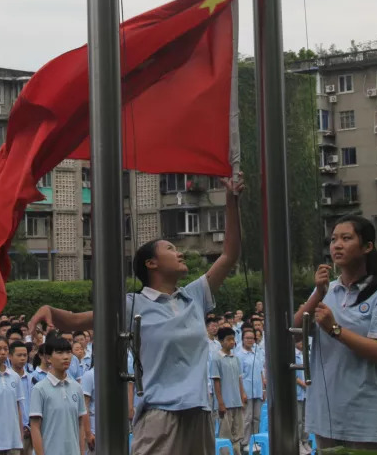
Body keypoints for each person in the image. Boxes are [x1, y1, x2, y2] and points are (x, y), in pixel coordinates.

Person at [28, 174, 244, 455]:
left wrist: (231, 201)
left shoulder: (194, 295)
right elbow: (77, 320)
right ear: (151, 263)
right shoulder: (133, 304)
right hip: (160, 416)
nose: (179, 253)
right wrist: (49, 311)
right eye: (171, 249)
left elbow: (228, 256)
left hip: (200, 414)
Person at [293, 214, 377, 448]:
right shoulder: (328, 291)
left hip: (366, 419)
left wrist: (335, 330)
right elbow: (294, 332)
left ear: (367, 247)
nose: (337, 245)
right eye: (333, 240)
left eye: (346, 238)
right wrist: (318, 294)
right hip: (327, 415)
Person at [29, 338, 87, 455]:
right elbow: (35, 427)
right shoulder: (40, 389)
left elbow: (80, 425)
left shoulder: (77, 387)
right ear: (48, 358)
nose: (66, 357)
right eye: (60, 353)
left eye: (68, 352)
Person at [209, 327, 245, 451]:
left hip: (236, 401)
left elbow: (239, 379)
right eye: (228, 339)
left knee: (238, 432)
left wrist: (242, 395)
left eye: (233, 339)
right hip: (225, 403)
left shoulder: (235, 358)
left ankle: (237, 452)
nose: (232, 342)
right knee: (225, 434)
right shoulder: (216, 358)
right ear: (221, 341)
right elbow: (216, 381)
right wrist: (220, 402)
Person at [236, 328, 265, 448]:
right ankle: (245, 442)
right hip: (246, 390)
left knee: (256, 417)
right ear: (242, 339)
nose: (250, 340)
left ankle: (255, 440)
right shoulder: (239, 355)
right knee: (247, 418)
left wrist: (263, 389)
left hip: (258, 390)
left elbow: (260, 371)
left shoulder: (257, 352)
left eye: (252, 338)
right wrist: (242, 392)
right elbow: (239, 376)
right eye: (247, 338)